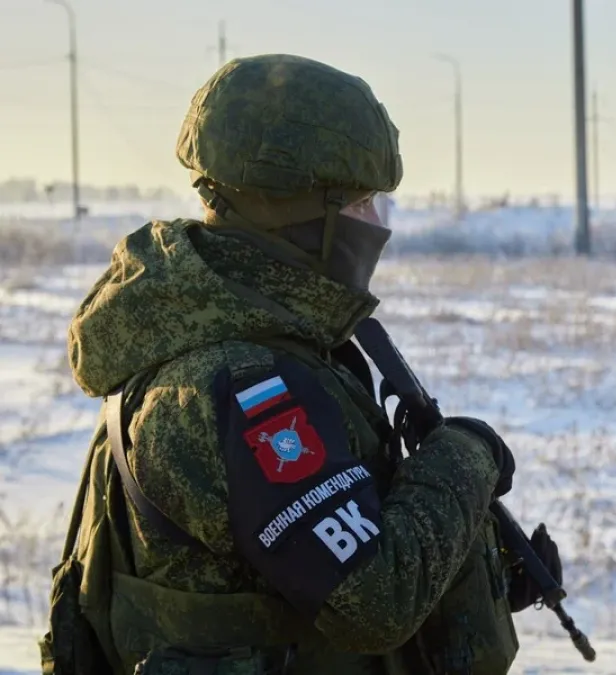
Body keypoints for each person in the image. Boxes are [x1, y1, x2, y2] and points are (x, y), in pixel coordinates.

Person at [45, 54, 561, 675]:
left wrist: (472, 569)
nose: (377, 223)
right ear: (296, 214)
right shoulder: (240, 388)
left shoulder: (250, 337)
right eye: (362, 202)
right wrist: (466, 457)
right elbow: (373, 600)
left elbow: (292, 573)